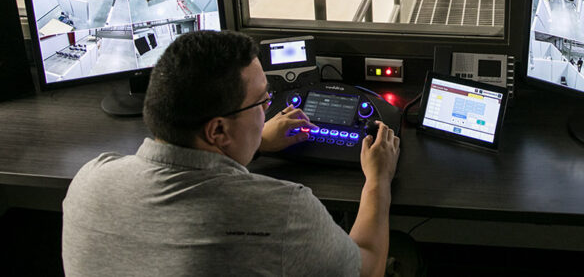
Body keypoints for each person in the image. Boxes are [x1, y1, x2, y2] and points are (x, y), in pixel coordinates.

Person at [62, 30, 400, 277]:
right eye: (261, 102)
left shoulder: (89, 178)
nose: (269, 109)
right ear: (218, 131)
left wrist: (256, 143)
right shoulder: (285, 210)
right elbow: (367, 268)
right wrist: (378, 180)